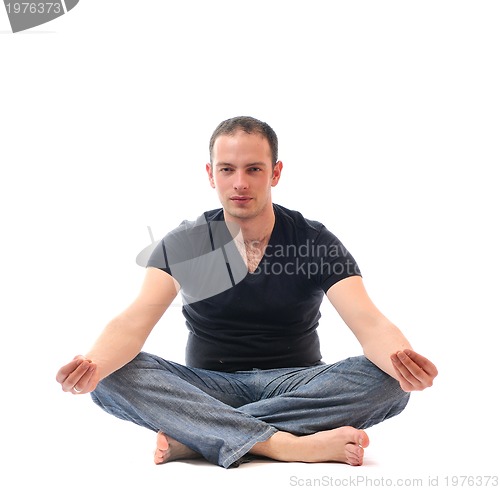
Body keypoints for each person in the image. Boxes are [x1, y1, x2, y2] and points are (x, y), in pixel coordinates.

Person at [56, 116, 438, 469]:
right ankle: (281, 444)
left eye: (254, 169)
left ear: (275, 173)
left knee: (390, 382)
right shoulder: (186, 242)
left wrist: (404, 362)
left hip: (297, 383)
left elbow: (369, 322)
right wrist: (92, 366)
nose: (240, 182)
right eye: (227, 169)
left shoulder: (314, 241)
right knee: (109, 378)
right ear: (211, 174)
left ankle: (200, 437)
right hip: (207, 386)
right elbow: (133, 320)